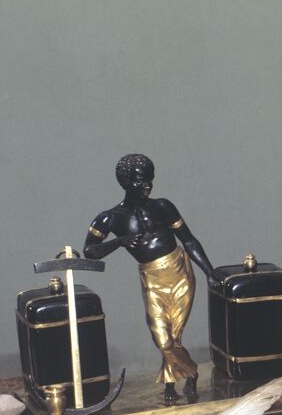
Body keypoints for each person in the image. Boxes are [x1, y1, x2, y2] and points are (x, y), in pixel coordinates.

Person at [84, 154, 218, 399]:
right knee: (163, 338)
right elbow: (90, 251)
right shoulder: (110, 218)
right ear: (125, 182)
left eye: (149, 179)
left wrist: (209, 272)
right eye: (139, 181)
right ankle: (192, 371)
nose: (147, 185)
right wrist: (119, 242)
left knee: (174, 335)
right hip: (152, 278)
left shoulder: (163, 206)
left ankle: (170, 385)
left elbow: (188, 240)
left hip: (179, 271)